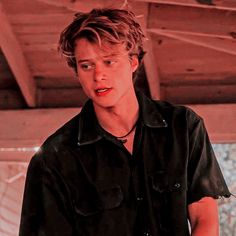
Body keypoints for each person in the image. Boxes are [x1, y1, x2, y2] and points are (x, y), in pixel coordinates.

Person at [19, 8, 231, 236]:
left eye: (109, 61)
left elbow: (204, 218)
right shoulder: (53, 160)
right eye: (86, 65)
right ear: (77, 72)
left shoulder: (183, 127)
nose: (98, 75)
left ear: (133, 62)